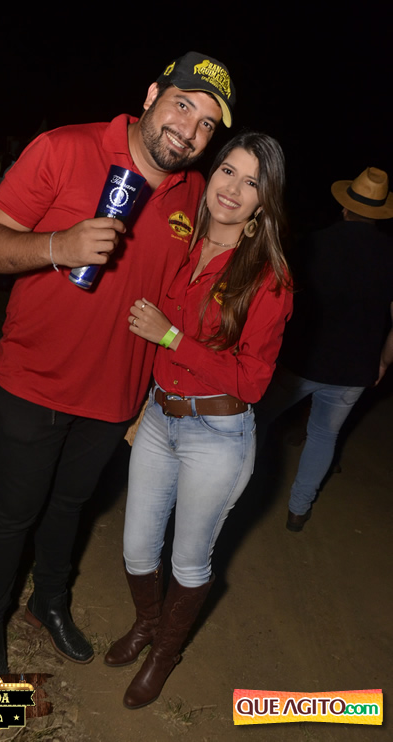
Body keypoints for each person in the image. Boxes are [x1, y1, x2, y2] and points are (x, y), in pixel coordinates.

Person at [0, 51, 236, 675]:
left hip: (115, 396)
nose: (190, 130)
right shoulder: (64, 148)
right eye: (183, 105)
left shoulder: (194, 192)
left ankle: (48, 603)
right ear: (151, 95)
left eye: (206, 124)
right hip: (35, 381)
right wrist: (57, 245)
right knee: (15, 512)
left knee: (71, 507)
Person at [104, 131, 293, 709]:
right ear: (211, 174)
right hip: (159, 418)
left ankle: (165, 653)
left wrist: (171, 338)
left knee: (188, 558)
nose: (232, 188)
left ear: (264, 201)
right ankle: (147, 623)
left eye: (251, 182)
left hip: (217, 435)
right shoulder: (182, 244)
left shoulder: (269, 277)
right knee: (137, 547)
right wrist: (143, 400)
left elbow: (253, 381)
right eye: (227, 171)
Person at [255, 166, 393, 532]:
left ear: (344, 207)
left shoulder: (314, 244)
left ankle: (240, 490)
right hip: (354, 371)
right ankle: (298, 510)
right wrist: (382, 362)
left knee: (258, 420)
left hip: (300, 361)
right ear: (379, 215)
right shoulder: (390, 256)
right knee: (324, 436)